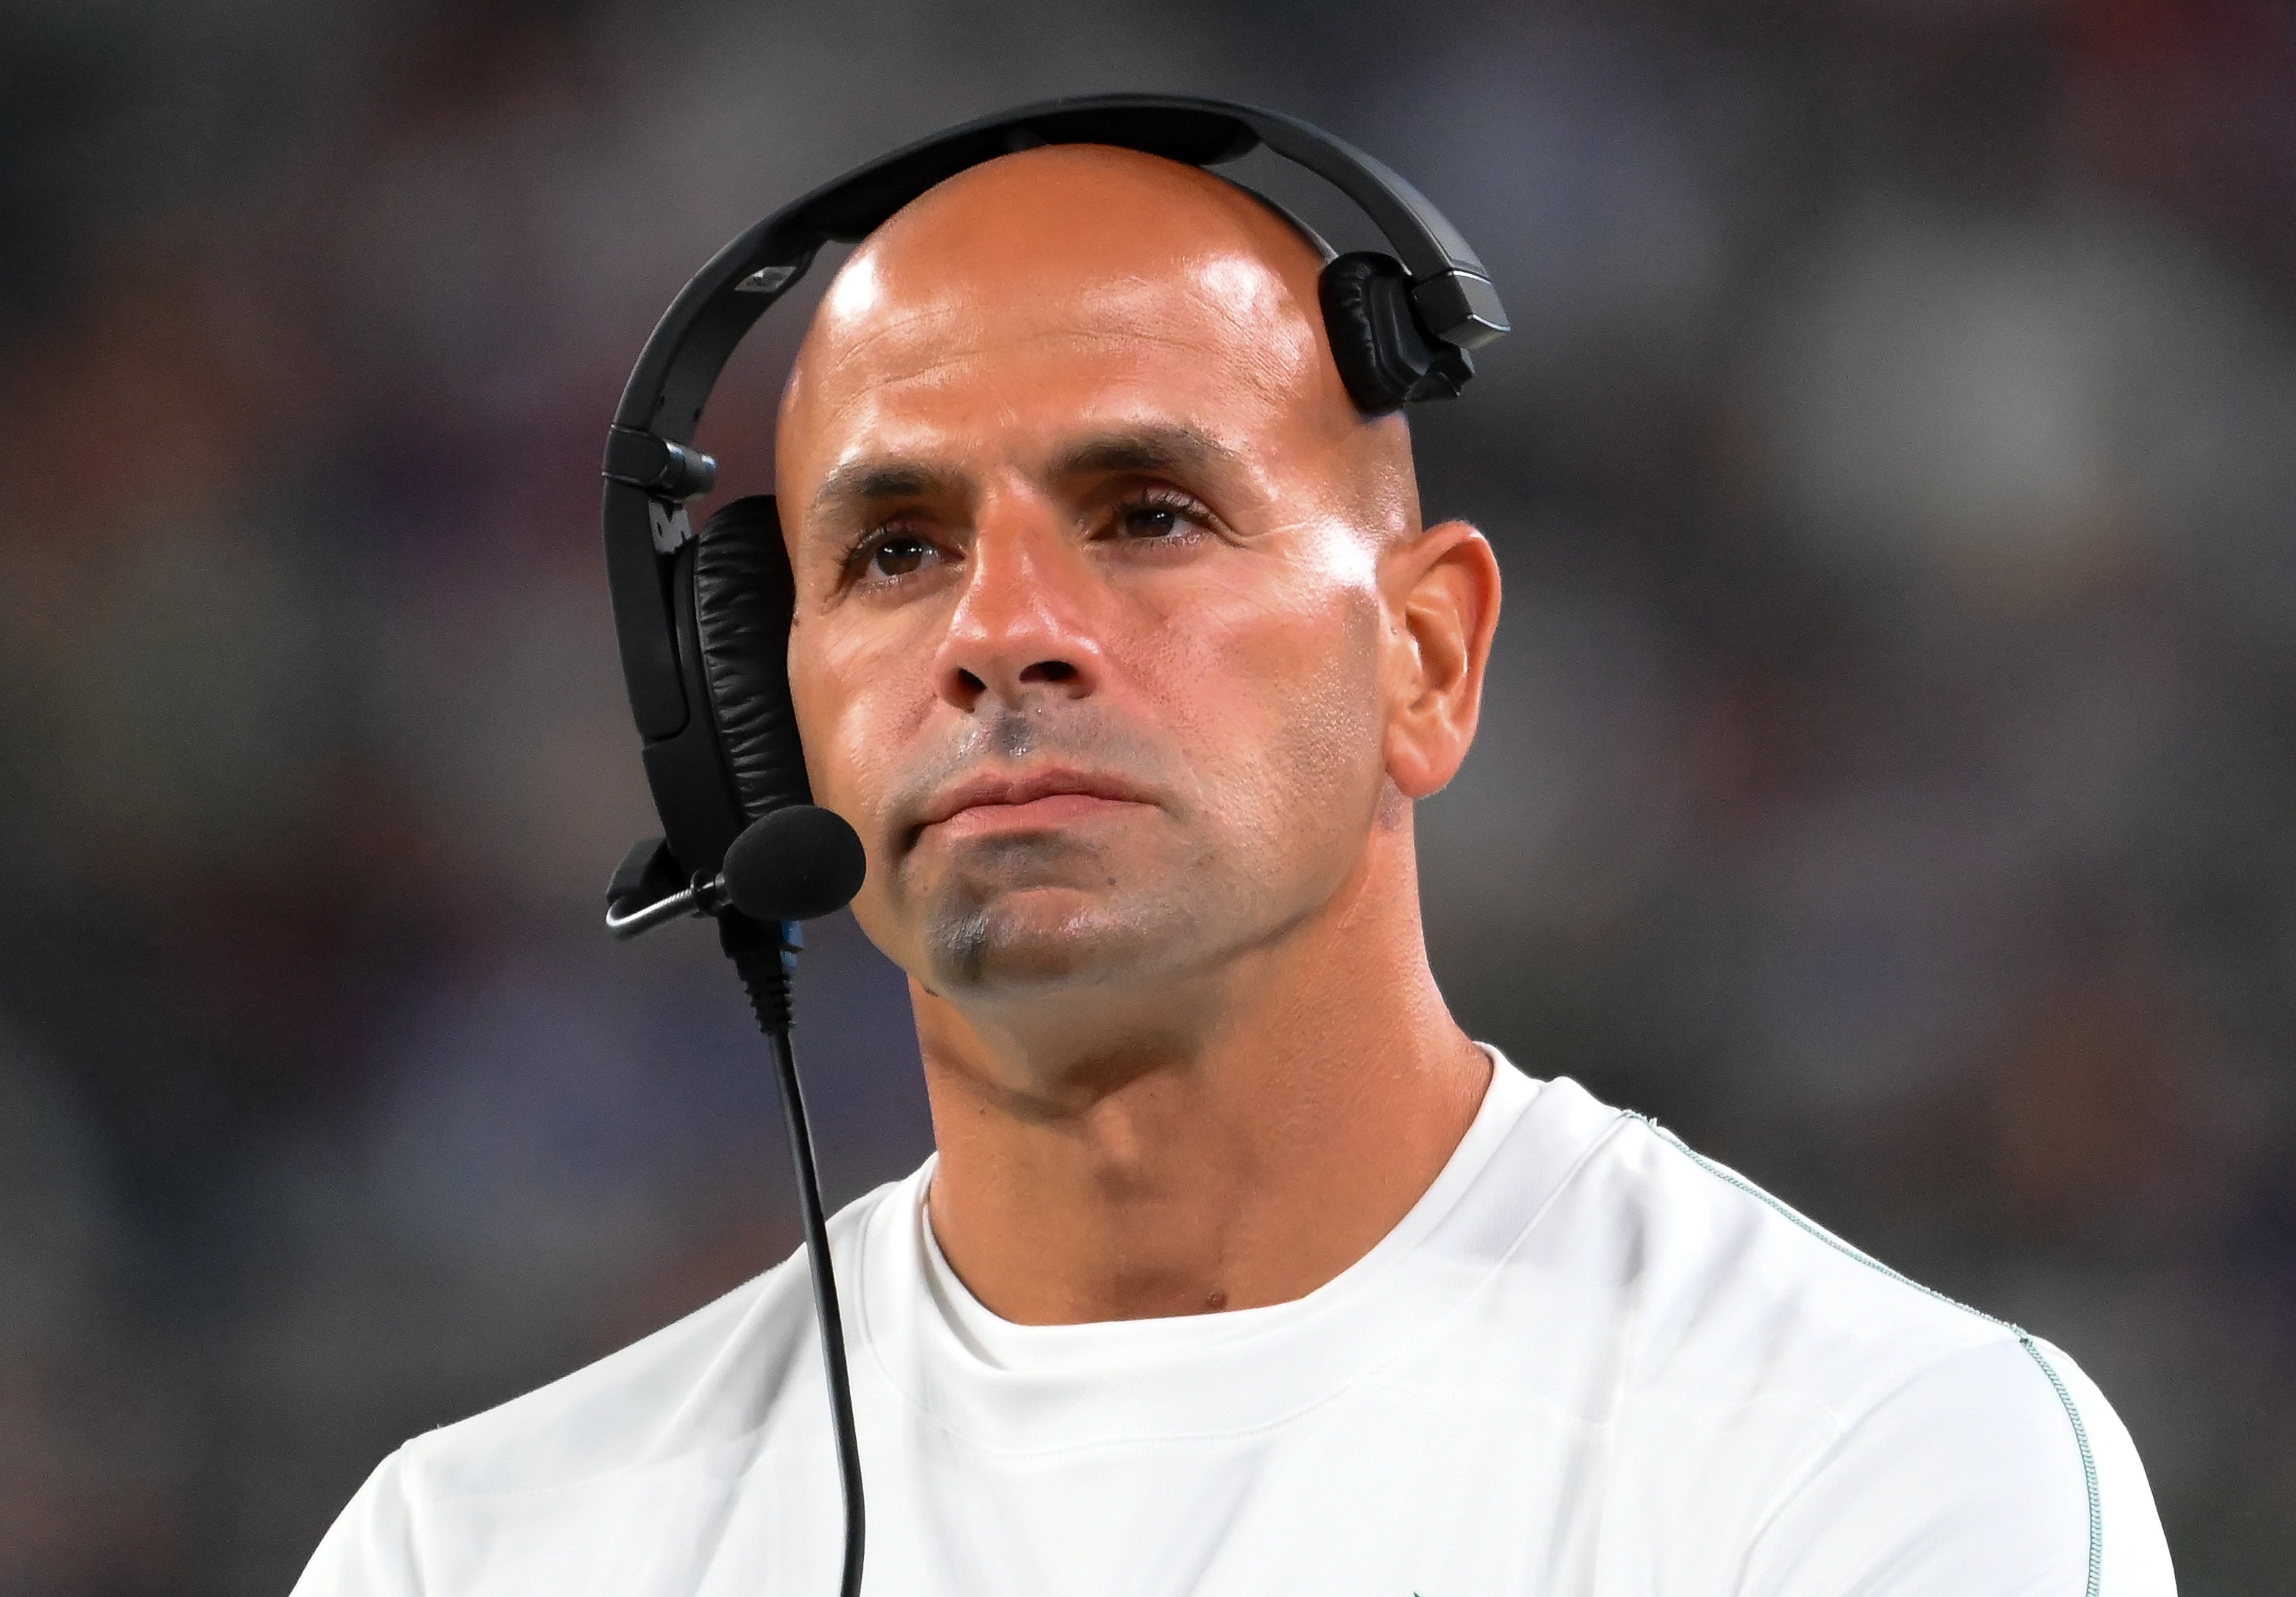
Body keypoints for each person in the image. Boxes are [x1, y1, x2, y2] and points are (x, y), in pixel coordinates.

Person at [293, 142, 2174, 1594]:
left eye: (1148, 513)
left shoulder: (1871, 1461)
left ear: (1422, 660)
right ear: (757, 725)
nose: (1003, 628)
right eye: (892, 549)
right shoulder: (480, 1547)